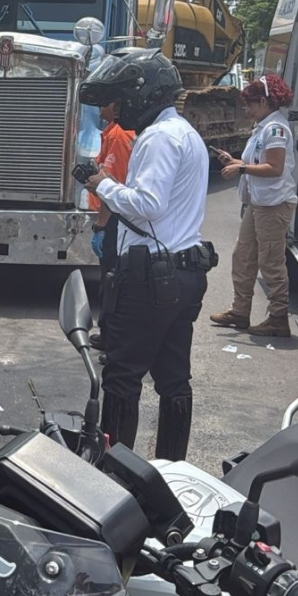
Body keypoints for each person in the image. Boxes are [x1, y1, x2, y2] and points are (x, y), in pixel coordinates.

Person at [79, 48, 214, 461]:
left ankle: (115, 476)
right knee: (174, 380)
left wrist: (100, 182)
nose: (115, 110)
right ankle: (172, 470)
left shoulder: (158, 138)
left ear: (145, 94)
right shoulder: (184, 133)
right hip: (183, 270)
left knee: (121, 377)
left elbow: (148, 204)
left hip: (151, 277)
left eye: (120, 99)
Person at [209, 74, 298, 337]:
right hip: (258, 203)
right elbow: (260, 161)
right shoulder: (263, 127)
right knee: (243, 256)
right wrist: (235, 161)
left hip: (273, 204)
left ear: (264, 101)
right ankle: (240, 311)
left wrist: (242, 167)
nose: (246, 110)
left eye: (249, 104)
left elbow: (275, 168)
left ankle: (278, 317)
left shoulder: (275, 129)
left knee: (271, 261)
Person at [87, 102, 136, 350]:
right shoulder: (117, 132)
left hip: (114, 218)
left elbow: (111, 187)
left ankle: (110, 336)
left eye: (104, 101)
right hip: (121, 216)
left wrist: (101, 225)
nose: (98, 106)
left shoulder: (118, 136)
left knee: (111, 281)